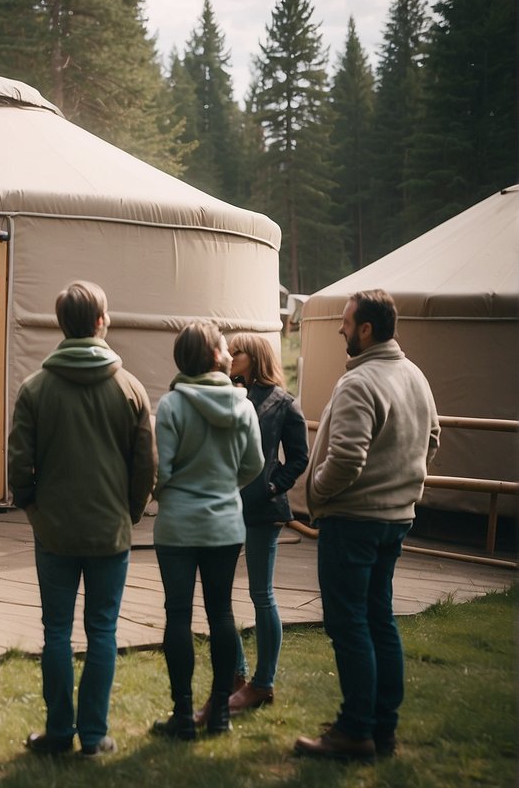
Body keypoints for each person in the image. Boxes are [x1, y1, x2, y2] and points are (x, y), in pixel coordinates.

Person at [8, 281, 156, 758]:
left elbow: (18, 465)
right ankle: (93, 737)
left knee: (56, 632)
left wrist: (33, 508)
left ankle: (57, 732)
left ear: (60, 323)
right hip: (110, 531)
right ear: (100, 321)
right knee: (103, 632)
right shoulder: (130, 388)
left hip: (53, 529)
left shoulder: (35, 389)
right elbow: (145, 466)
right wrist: (128, 513)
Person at [295, 290, 439, 761]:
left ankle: (355, 731)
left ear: (365, 329)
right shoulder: (414, 374)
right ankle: (383, 730)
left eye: (345, 321)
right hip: (395, 519)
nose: (339, 328)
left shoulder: (360, 382)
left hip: (354, 520)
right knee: (379, 619)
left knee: (350, 624)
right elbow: (432, 436)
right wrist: (401, 478)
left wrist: (316, 488)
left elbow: (347, 458)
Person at [150, 322, 264, 740]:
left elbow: (160, 470)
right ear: (216, 357)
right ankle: (219, 714)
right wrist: (223, 489)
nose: (232, 353)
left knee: (177, 614)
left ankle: (182, 715)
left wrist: (175, 492)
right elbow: (254, 465)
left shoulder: (172, 405)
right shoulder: (244, 407)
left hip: (178, 524)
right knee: (222, 614)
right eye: (225, 347)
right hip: (225, 524)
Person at [207, 333, 310, 718]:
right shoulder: (228, 395)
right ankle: (236, 675)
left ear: (257, 356)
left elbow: (299, 457)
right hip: (224, 505)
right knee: (219, 595)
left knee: (260, 594)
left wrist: (273, 483)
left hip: (263, 509)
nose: (230, 357)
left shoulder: (283, 404)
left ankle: (263, 682)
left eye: (238, 352)